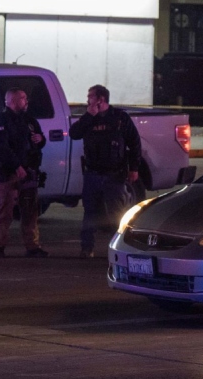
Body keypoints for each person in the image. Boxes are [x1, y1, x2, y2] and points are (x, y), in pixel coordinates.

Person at [68, 84, 141, 258]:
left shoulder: (120, 118)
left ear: (100, 99)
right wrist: (89, 116)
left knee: (117, 214)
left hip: (114, 175)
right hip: (92, 174)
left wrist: (134, 169)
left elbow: (134, 143)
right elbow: (74, 134)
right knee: (90, 212)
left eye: (90, 97)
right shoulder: (89, 118)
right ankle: (87, 248)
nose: (87, 100)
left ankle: (121, 250)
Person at [0, 88, 47, 258]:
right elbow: (0, 148)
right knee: (5, 211)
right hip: (9, 173)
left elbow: (38, 141)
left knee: (30, 210)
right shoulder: (0, 121)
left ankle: (33, 246)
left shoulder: (30, 121)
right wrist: (16, 167)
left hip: (29, 172)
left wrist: (41, 139)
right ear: (12, 101)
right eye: (23, 98)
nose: (26, 100)